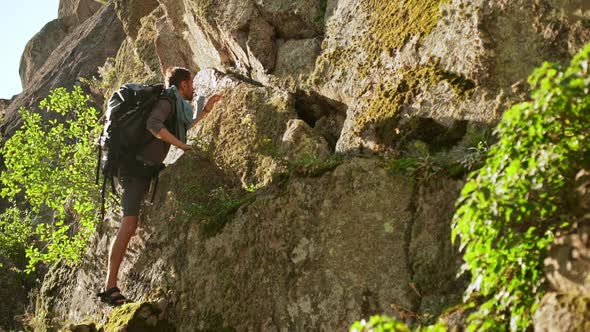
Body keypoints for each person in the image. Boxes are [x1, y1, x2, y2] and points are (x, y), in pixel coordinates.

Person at [97, 67, 221, 306]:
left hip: (144, 169)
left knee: (131, 223)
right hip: (134, 170)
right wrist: (183, 148)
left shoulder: (174, 104)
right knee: (129, 223)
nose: (194, 88)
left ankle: (110, 286)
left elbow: (179, 128)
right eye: (191, 83)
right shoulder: (167, 100)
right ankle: (109, 286)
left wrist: (205, 110)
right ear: (183, 84)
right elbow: (154, 126)